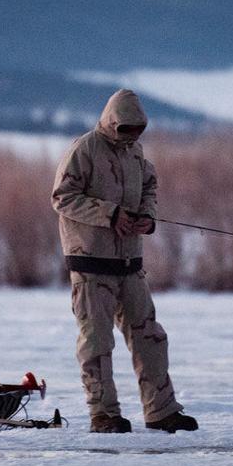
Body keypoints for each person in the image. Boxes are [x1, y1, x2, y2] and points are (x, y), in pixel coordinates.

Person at [51, 89, 198, 434]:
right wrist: (110, 214)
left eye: (138, 129)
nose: (132, 135)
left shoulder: (136, 154)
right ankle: (103, 414)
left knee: (151, 337)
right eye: (126, 128)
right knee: (97, 342)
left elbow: (149, 185)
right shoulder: (83, 149)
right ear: (112, 122)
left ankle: (162, 411)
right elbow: (62, 197)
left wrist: (147, 216)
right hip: (90, 265)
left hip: (130, 263)